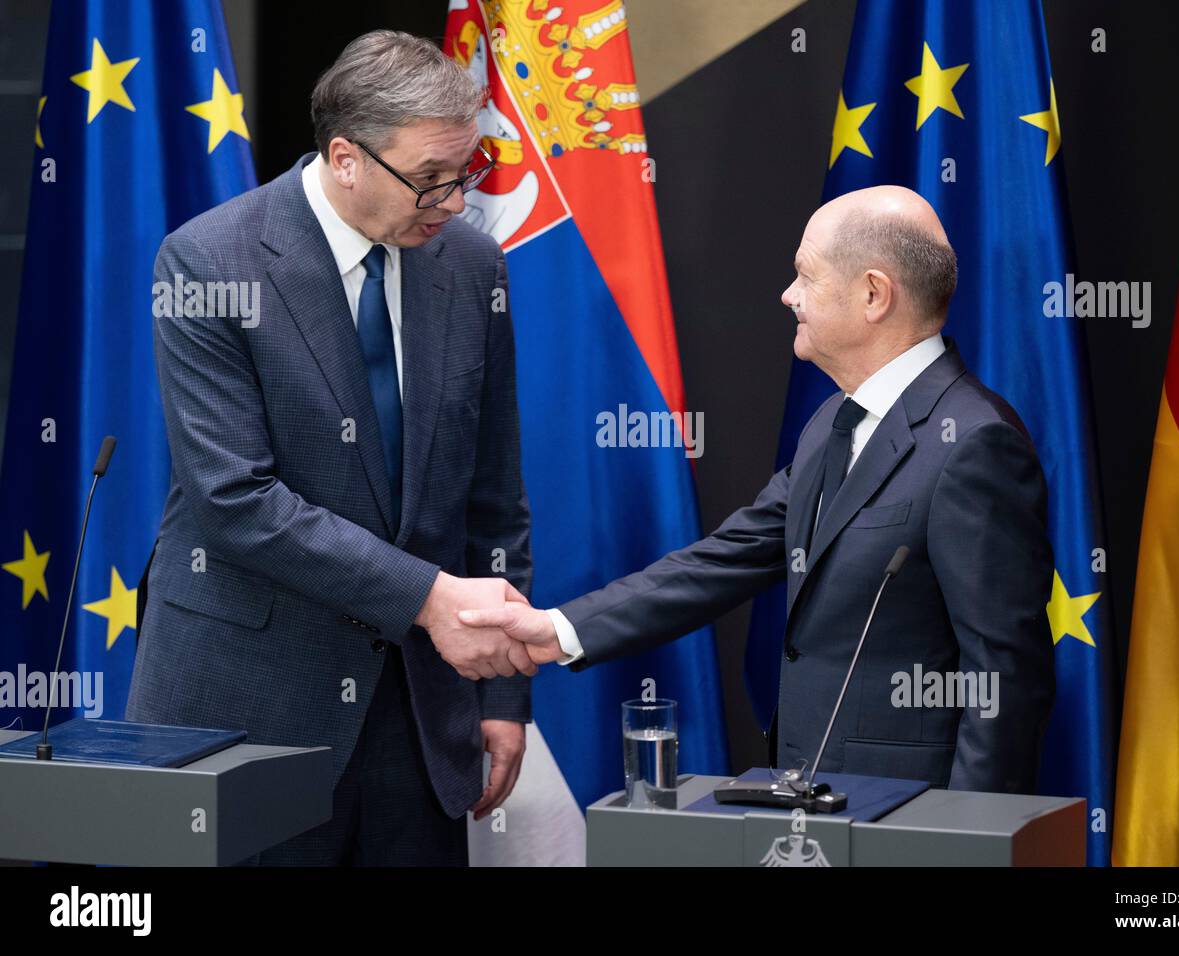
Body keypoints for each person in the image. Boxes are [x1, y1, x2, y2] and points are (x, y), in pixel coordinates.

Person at [461, 186, 1056, 794]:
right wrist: (559, 629)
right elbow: (724, 560)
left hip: (912, 819)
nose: (788, 295)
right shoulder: (832, 423)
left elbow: (1003, 678)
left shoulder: (975, 443)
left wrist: (968, 840)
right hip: (815, 803)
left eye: (805, 275)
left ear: (874, 295)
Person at [126, 30, 532, 866]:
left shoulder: (472, 265)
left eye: (468, 172)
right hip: (251, 704)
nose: (455, 201)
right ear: (345, 158)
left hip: (421, 716)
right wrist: (430, 600)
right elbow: (237, 500)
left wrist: (500, 691)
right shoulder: (208, 262)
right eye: (429, 179)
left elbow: (494, 497)